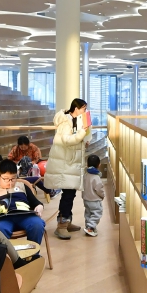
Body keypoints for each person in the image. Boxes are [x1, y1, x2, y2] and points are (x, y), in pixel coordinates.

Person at [44, 98, 91, 239]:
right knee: (68, 195)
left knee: (70, 194)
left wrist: (84, 140)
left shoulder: (75, 120)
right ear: (76, 108)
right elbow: (67, 140)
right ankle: (62, 225)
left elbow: (74, 139)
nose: (85, 111)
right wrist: (82, 133)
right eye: (83, 108)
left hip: (70, 163)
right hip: (65, 164)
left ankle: (66, 221)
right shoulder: (65, 122)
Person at [0, 160, 47, 244]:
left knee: (37, 224)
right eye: (6, 179)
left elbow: (36, 203)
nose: (10, 182)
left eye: (13, 178)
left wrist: (39, 207)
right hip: (2, 220)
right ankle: (6, 252)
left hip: (25, 217)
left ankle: (33, 251)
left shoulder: (22, 186)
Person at [81, 154, 104, 237]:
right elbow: (99, 189)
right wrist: (102, 195)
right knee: (97, 213)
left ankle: (88, 226)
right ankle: (90, 228)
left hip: (86, 199)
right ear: (99, 165)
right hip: (94, 200)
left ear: (87, 164)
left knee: (88, 213)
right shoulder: (96, 177)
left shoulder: (85, 175)